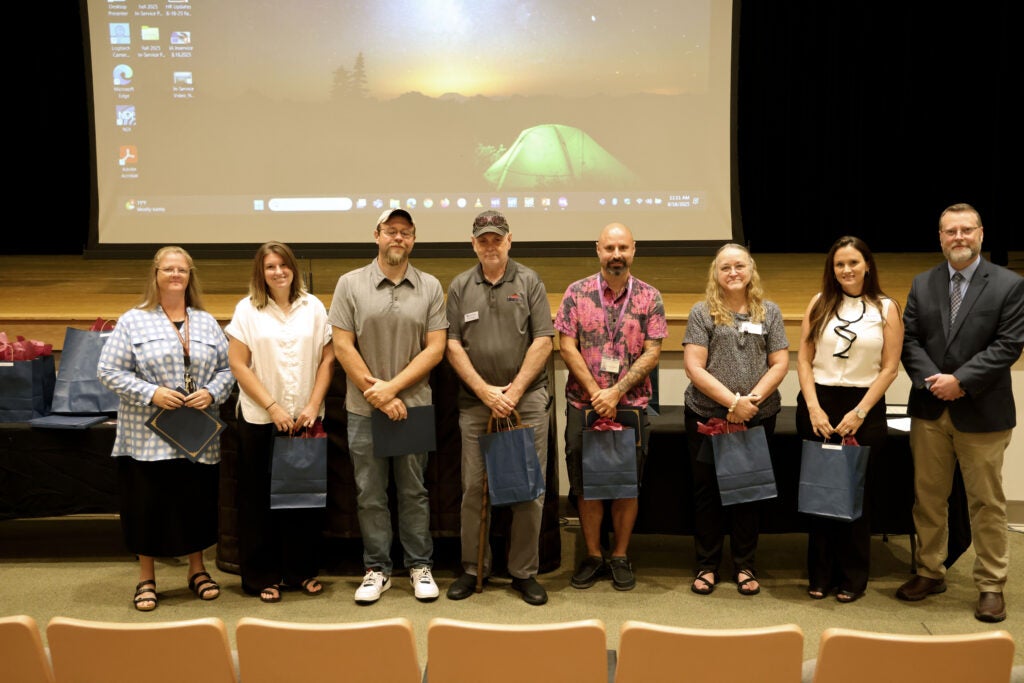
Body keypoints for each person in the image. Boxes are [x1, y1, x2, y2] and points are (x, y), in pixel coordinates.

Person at [897, 203, 1024, 623]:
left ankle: (991, 584)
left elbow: (1007, 345)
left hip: (983, 413)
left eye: (966, 230)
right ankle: (930, 571)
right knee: (928, 499)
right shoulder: (922, 283)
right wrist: (935, 378)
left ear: (981, 233)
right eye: (950, 231)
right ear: (940, 237)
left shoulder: (1008, 285)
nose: (959, 238)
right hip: (930, 410)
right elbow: (909, 339)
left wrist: (961, 381)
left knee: (986, 503)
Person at [97, 246, 235, 611]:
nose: (176, 275)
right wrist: (151, 392)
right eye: (168, 269)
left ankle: (197, 570)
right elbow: (108, 371)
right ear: (155, 274)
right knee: (148, 507)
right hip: (146, 436)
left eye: (182, 270)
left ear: (190, 276)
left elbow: (228, 369)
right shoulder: (132, 320)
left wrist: (212, 392)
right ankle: (147, 578)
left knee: (195, 503)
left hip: (196, 435)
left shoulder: (206, 322)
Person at [328, 208, 447, 605]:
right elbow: (343, 346)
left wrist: (391, 390)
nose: (398, 238)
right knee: (369, 492)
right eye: (391, 231)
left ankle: (418, 565)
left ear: (413, 239)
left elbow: (436, 348)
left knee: (414, 491)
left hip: (413, 406)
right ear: (376, 235)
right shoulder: (350, 284)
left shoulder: (430, 286)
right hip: (364, 410)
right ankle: (376, 569)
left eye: (406, 233)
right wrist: (375, 394)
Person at [444, 210, 554, 606]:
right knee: (474, 488)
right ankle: (474, 568)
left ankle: (523, 573)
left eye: (497, 239)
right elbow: (452, 345)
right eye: (483, 240)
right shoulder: (460, 286)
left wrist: (512, 391)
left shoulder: (529, 282)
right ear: (473, 244)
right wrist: (486, 392)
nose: (490, 246)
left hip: (526, 402)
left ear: (509, 241)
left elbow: (543, 340)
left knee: (527, 489)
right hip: (477, 404)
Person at [555, 222, 666, 591]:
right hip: (583, 404)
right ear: (597, 250)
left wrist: (615, 392)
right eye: (609, 248)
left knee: (625, 485)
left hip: (631, 405)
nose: (616, 255)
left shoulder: (650, 297)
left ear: (634, 250)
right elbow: (566, 345)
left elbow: (653, 352)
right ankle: (592, 555)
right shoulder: (577, 293)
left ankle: (619, 554)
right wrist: (595, 390)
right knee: (586, 484)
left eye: (623, 248)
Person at [225, 241, 335, 603]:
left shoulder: (314, 307)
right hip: (260, 419)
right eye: (270, 266)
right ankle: (261, 576)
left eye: (283, 265)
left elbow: (327, 360)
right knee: (259, 501)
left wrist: (313, 404)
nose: (278, 272)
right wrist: (273, 407)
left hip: (305, 418)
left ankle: (300, 571)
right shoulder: (247, 310)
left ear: (293, 269)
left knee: (303, 499)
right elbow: (239, 364)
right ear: (261, 272)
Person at [796, 236, 903, 603]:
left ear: (867, 265)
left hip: (865, 407)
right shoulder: (819, 302)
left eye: (853, 263)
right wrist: (813, 407)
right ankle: (820, 574)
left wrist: (860, 411)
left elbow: (890, 368)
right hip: (819, 404)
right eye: (839, 264)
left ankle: (853, 577)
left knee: (857, 496)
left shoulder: (886, 307)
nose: (846, 270)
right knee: (821, 492)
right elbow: (804, 360)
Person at [682, 243, 788, 597]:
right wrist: (732, 403)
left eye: (739, 266)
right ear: (716, 273)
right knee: (708, 494)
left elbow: (780, 363)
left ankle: (744, 565)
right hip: (707, 417)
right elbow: (694, 366)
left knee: (748, 493)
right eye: (725, 267)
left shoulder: (769, 311)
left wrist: (750, 403)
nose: (732, 273)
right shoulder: (702, 312)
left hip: (757, 417)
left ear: (750, 270)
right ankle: (707, 565)